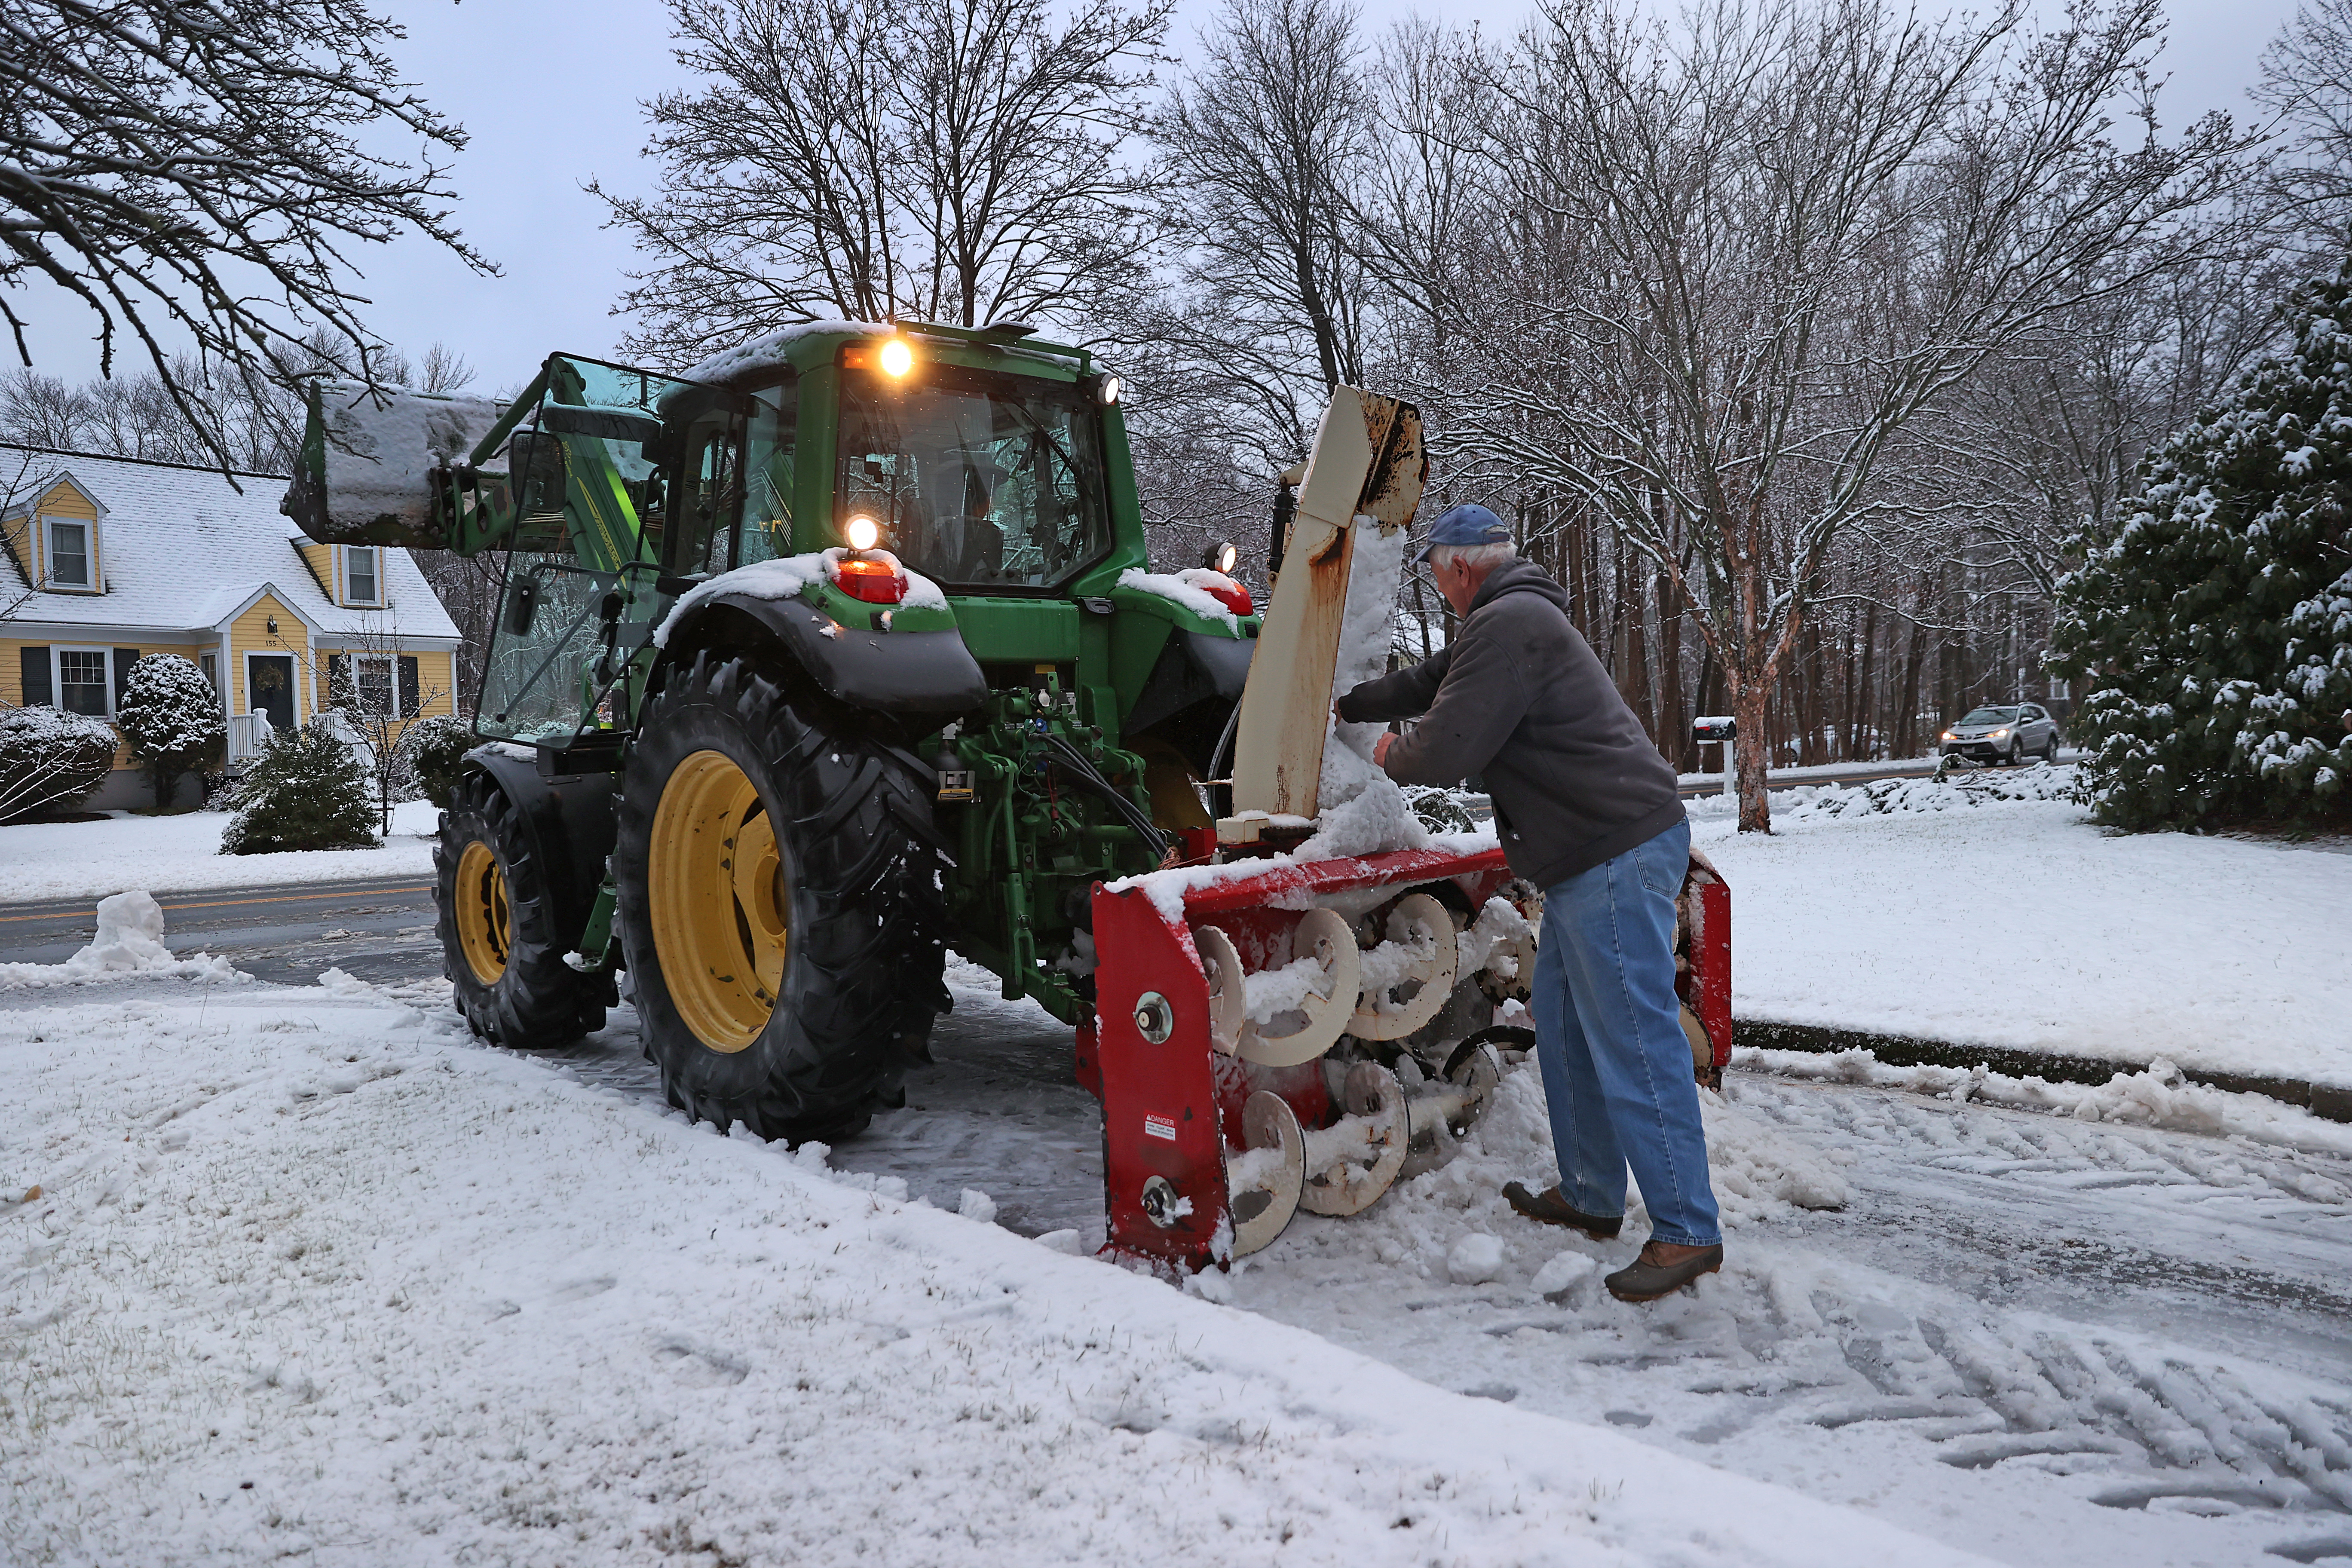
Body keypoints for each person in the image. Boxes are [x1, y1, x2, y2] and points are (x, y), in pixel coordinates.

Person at [1334, 503, 1723, 1302]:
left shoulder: (1507, 623)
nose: (1439, 592)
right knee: (1567, 1021)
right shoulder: (1508, 622)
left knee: (1634, 1039)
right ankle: (1589, 1194)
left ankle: (1688, 1229)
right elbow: (1430, 683)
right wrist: (1346, 703)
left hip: (1611, 851)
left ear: (1459, 569)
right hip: (1593, 854)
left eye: (1437, 576)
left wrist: (1381, 751)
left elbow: (1445, 746)